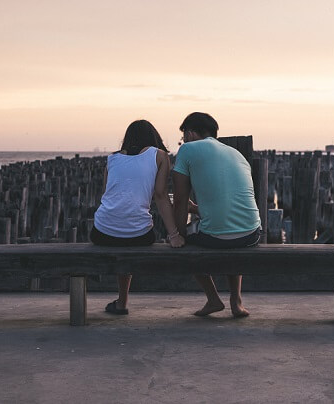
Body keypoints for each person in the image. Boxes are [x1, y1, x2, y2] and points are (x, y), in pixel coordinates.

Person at [172, 112, 261, 318]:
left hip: (217, 238)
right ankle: (236, 301)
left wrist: (178, 234)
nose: (183, 141)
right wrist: (195, 209)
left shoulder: (187, 149)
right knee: (231, 234)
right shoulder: (235, 153)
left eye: (184, 136)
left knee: (186, 248)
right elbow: (229, 204)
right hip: (251, 234)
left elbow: (179, 200)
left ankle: (213, 299)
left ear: (191, 133)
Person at [91, 120, 185, 315]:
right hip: (139, 235)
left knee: (122, 233)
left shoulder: (112, 159)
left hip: (102, 231)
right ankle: (122, 300)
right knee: (133, 230)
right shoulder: (160, 156)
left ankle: (122, 302)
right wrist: (174, 234)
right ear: (154, 137)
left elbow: (107, 195)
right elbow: (160, 196)